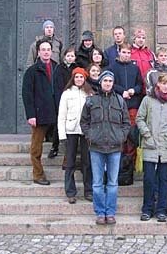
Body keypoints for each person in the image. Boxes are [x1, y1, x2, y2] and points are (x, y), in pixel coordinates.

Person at [80, 70, 131, 225]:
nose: (108, 83)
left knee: (112, 183)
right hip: (96, 147)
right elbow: (84, 122)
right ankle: (100, 212)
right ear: (100, 83)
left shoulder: (120, 101)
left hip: (115, 147)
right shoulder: (91, 101)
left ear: (113, 83)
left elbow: (126, 123)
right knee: (97, 183)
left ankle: (110, 212)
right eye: (105, 81)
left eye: (110, 81)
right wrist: (91, 136)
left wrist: (121, 137)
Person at [136, 74, 167, 222]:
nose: (166, 86)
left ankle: (162, 210)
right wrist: (147, 134)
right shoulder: (148, 100)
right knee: (149, 179)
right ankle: (147, 208)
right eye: (163, 83)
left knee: (164, 179)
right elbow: (139, 118)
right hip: (150, 143)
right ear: (158, 84)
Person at [22, 38, 57, 186]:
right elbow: (27, 94)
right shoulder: (32, 71)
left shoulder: (57, 68)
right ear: (38, 52)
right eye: (43, 50)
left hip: (55, 113)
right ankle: (38, 174)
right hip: (39, 113)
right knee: (36, 147)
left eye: (48, 49)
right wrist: (31, 115)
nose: (46, 52)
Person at [58, 67, 94, 204]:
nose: (79, 79)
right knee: (70, 163)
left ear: (85, 78)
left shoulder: (89, 93)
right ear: (73, 78)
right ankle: (70, 191)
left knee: (87, 162)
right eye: (77, 77)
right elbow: (62, 116)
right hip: (70, 131)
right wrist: (62, 135)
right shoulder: (66, 94)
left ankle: (88, 190)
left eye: (81, 77)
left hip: (85, 131)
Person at [108, 43, 143, 164]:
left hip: (133, 105)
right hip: (117, 104)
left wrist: (134, 90)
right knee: (119, 133)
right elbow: (110, 84)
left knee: (132, 133)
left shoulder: (135, 68)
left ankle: (131, 160)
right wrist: (121, 91)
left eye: (128, 53)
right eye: (124, 52)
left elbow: (140, 84)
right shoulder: (112, 67)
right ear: (119, 52)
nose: (126, 55)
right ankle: (120, 160)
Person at [48, 47, 78, 159]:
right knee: (59, 123)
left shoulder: (76, 68)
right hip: (61, 98)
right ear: (64, 56)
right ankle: (54, 147)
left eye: (72, 56)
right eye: (68, 55)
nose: (70, 58)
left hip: (74, 99)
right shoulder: (59, 68)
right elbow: (57, 85)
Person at [130, 29, 155, 94]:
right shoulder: (129, 53)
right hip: (134, 89)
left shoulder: (150, 53)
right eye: (139, 37)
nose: (141, 40)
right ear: (134, 39)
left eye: (143, 38)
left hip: (148, 89)